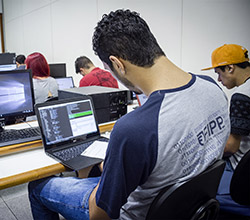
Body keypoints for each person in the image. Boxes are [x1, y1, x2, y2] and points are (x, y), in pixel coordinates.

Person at [28, 9, 231, 220]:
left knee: (37, 187)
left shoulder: (135, 129)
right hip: (187, 209)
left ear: (117, 64)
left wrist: (113, 169)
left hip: (132, 214)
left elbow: (100, 215)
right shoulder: (212, 87)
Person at [202, 44, 250, 216]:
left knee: (202, 196)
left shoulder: (242, 96)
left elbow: (231, 147)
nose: (219, 80)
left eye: (219, 73)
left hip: (241, 172)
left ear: (230, 68)